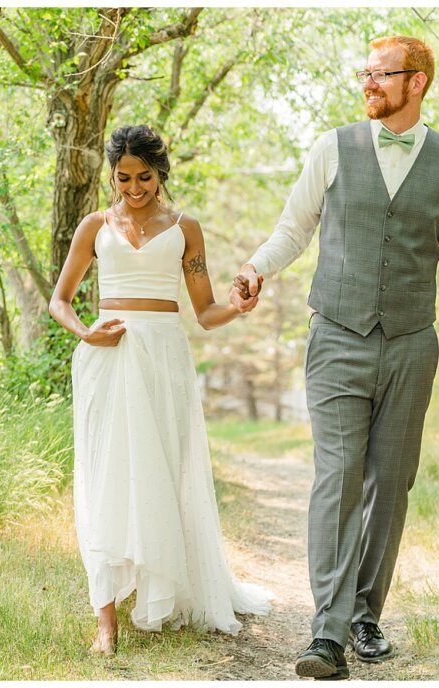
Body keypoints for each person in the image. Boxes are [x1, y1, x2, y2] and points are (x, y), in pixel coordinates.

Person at [232, 36, 439, 680]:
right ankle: (328, 633)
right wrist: (258, 268)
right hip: (338, 337)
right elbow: (294, 227)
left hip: (411, 344)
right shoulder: (332, 148)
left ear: (417, 81)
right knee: (337, 477)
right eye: (364, 74)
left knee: (390, 485)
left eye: (381, 75)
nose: (368, 83)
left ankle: (365, 614)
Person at [49, 124, 273, 656]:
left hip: (164, 357)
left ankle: (161, 591)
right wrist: (85, 332)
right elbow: (60, 300)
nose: (133, 188)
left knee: (161, 470)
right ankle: (105, 618)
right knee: (105, 476)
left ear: (160, 173)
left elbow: (206, 311)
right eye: (123, 177)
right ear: (113, 175)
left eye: (144, 177)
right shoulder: (94, 226)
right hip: (106, 356)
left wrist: (240, 307)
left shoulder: (184, 228)